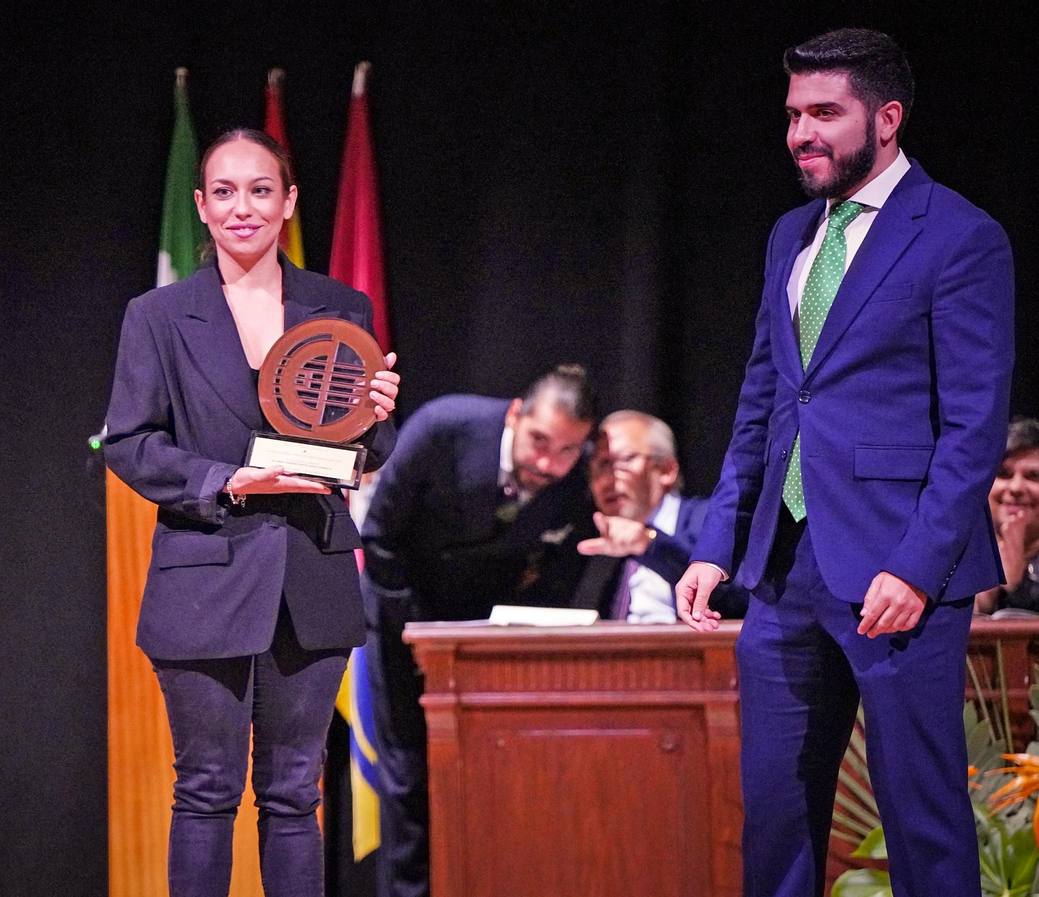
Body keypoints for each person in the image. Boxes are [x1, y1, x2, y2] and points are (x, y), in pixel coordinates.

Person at [675, 29, 1014, 897]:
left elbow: (974, 427)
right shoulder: (791, 233)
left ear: (887, 118)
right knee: (777, 818)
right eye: (793, 115)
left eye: (824, 113)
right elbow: (764, 399)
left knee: (921, 818)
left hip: (896, 578)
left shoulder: (961, 237)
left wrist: (918, 564)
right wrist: (718, 542)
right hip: (785, 570)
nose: (801, 134)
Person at [103, 128, 399, 897]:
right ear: (200, 207)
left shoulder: (341, 305)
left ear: (289, 201)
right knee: (206, 790)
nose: (244, 207)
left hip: (313, 575)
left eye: (261, 190)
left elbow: (366, 444)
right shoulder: (159, 316)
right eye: (225, 192)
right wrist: (229, 478)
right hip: (205, 577)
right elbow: (130, 444)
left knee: (295, 794)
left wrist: (378, 415)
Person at [357, 366, 596, 897]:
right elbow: (379, 540)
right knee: (411, 778)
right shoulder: (443, 428)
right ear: (516, 413)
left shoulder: (578, 476)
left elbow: (562, 572)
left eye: (566, 451)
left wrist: (512, 639)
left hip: (495, 632)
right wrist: (419, 638)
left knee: (500, 775)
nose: (547, 463)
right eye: (539, 441)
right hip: (406, 616)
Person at [571, 411, 749, 621]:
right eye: (600, 465)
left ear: (666, 470)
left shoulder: (711, 519)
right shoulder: (587, 541)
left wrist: (650, 544)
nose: (607, 480)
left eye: (624, 460)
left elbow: (743, 598)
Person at [976, 418, 1039, 614]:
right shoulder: (951, 555)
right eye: (1003, 474)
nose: (1016, 487)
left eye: (1033, 476)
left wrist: (1016, 586)